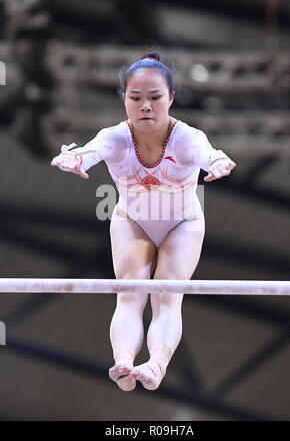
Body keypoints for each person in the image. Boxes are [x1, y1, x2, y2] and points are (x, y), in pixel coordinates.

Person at [51, 52, 236, 392]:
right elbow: (89, 151)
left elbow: (207, 152)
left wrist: (217, 161)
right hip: (131, 221)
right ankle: (123, 360)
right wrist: (73, 157)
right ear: (124, 99)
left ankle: (156, 364)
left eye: (155, 97)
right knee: (130, 295)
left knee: (166, 296)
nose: (145, 106)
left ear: (171, 99)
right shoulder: (114, 137)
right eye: (136, 98)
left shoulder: (185, 138)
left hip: (182, 224)